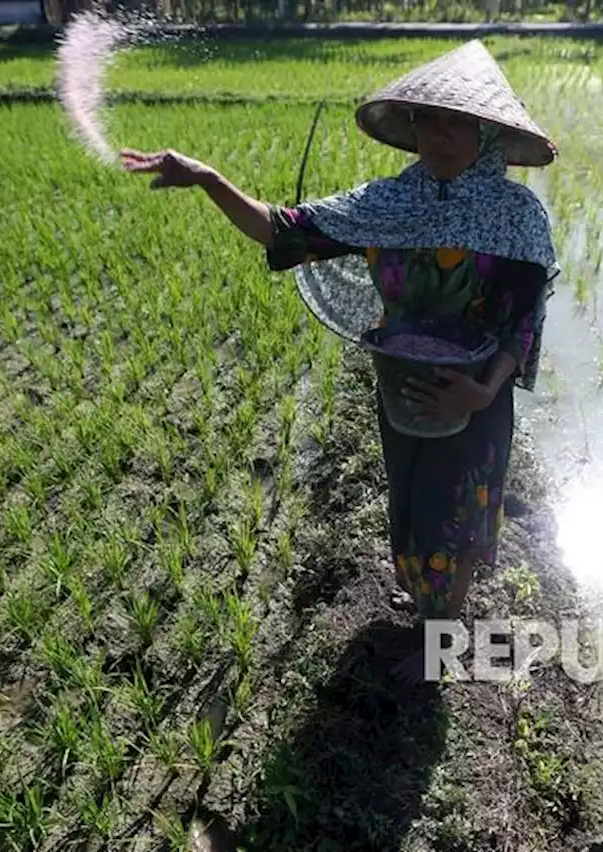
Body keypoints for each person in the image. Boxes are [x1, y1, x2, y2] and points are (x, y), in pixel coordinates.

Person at [122, 40, 558, 688]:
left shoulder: (517, 216)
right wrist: (210, 180)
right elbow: (285, 230)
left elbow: (522, 319)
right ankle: (425, 615)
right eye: (426, 120)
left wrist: (481, 391)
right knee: (411, 506)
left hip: (473, 397)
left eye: (455, 121)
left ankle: (441, 644)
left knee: (455, 519)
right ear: (411, 129)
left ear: (486, 130)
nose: (438, 134)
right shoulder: (388, 203)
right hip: (403, 385)